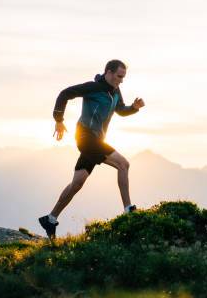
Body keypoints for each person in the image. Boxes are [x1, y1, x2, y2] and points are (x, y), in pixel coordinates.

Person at [38, 59, 145, 239]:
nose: (121, 80)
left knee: (77, 183)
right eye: (119, 76)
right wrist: (59, 120)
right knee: (123, 164)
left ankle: (50, 218)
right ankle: (129, 211)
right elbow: (65, 94)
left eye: (123, 77)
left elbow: (120, 110)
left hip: (97, 139)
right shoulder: (93, 87)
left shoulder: (116, 91)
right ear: (108, 73)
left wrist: (134, 108)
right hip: (86, 137)